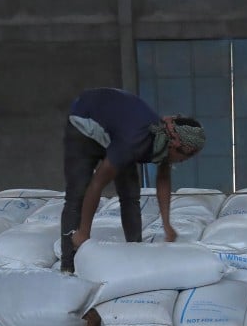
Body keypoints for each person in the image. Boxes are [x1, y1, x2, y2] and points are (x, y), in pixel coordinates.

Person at [61, 87, 206, 272]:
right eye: (188, 155)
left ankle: (135, 250)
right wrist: (84, 233)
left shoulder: (161, 142)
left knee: (130, 194)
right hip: (84, 123)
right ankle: (69, 265)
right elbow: (97, 183)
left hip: (116, 129)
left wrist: (167, 224)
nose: (185, 161)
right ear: (176, 145)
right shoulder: (134, 141)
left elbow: (163, 177)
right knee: (77, 194)